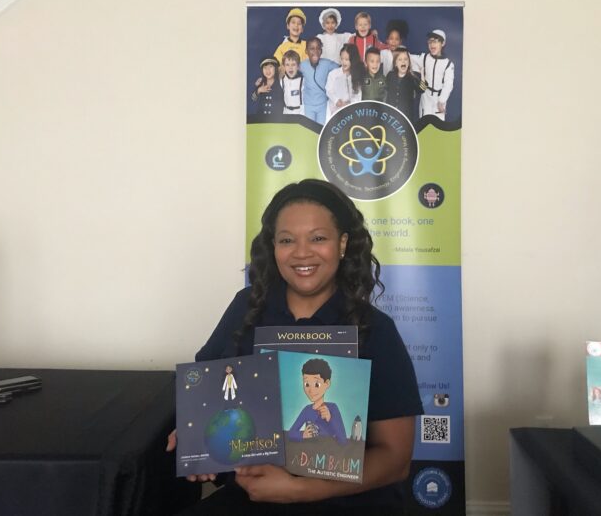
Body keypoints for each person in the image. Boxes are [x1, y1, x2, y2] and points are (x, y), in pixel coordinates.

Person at [167, 179, 423, 515]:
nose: (302, 253)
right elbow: (206, 392)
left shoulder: (375, 329)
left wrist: (299, 490)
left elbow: (395, 459)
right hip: (255, 495)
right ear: (273, 246)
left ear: (342, 243)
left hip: (349, 502)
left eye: (318, 238)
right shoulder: (246, 307)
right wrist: (197, 436)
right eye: (287, 240)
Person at [287, 358, 348, 444]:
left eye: (316, 384)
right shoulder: (307, 410)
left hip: (328, 450)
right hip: (310, 449)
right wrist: (303, 435)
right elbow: (291, 433)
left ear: (327, 383)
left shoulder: (332, 408)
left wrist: (330, 418)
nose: (310, 390)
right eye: (306, 384)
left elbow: (343, 440)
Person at [411, 29, 455, 120]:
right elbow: (408, 58)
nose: (432, 44)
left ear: (443, 43)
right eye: (430, 41)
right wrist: (398, 51)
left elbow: (448, 84)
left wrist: (442, 100)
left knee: (438, 125)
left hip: (438, 100)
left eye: (435, 41)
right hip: (425, 98)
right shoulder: (424, 58)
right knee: (424, 123)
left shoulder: (448, 64)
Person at [299, 37, 337, 125]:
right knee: (309, 129)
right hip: (308, 105)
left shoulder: (327, 64)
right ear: (306, 51)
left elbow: (342, 69)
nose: (315, 51)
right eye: (312, 48)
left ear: (321, 51)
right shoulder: (302, 65)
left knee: (321, 128)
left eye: (318, 48)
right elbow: (288, 71)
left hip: (323, 105)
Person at [325, 44, 364, 120]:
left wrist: (349, 104)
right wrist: (336, 100)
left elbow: (358, 95)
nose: (344, 62)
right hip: (335, 111)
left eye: (347, 59)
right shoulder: (333, 74)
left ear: (353, 60)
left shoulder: (356, 76)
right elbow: (329, 90)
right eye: (342, 59)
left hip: (350, 112)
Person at [385, 46, 423, 122]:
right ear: (395, 63)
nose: (403, 62)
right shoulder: (390, 75)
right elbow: (386, 92)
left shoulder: (413, 77)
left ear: (409, 62)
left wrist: (422, 73)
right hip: (391, 115)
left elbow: (422, 89)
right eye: (400, 59)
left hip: (406, 117)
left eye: (406, 59)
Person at [281, 50, 304, 115]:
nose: (290, 68)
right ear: (284, 66)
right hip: (286, 113)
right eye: (287, 65)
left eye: (293, 64)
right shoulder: (282, 81)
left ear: (298, 66)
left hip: (300, 113)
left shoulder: (303, 81)